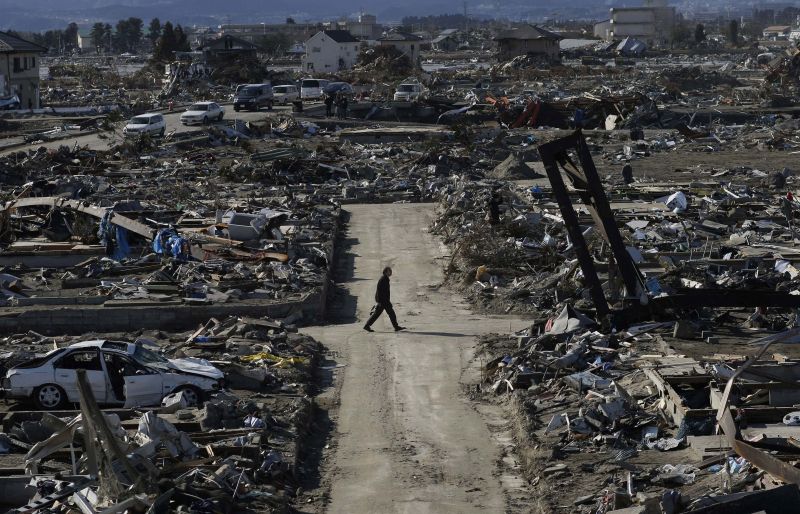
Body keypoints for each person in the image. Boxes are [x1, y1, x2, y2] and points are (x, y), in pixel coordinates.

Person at [364, 267, 405, 332]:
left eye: (391, 271)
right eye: (389, 271)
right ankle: (396, 327)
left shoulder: (385, 279)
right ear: (385, 271)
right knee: (390, 313)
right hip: (383, 301)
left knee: (378, 314)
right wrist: (379, 301)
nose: (391, 272)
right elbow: (379, 291)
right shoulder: (383, 279)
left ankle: (367, 326)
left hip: (384, 300)